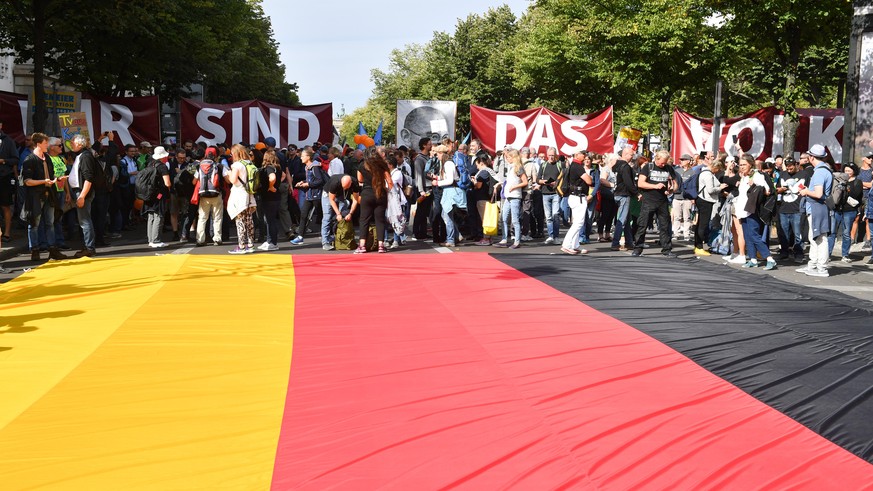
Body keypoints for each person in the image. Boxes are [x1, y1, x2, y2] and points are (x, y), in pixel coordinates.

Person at [20, 132, 67, 261]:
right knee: (34, 223)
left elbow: (50, 177)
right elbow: (27, 181)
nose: (48, 145)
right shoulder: (30, 159)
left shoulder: (47, 158)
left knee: (50, 222)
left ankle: (52, 249)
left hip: (49, 195)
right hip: (35, 196)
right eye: (46, 143)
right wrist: (44, 181)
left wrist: (56, 179)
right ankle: (34, 249)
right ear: (39, 144)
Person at [733, 155, 777, 270]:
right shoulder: (744, 176)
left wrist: (754, 185)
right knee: (747, 236)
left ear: (750, 164)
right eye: (740, 165)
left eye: (744, 165)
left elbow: (767, 191)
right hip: (743, 210)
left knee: (754, 235)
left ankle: (770, 259)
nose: (741, 167)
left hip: (753, 210)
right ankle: (753, 259)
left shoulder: (757, 175)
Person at [796, 144, 833, 277]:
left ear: (811, 157)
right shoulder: (824, 170)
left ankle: (821, 268)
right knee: (815, 237)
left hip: (818, 207)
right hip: (819, 207)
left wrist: (805, 191)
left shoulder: (819, 172)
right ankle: (813, 265)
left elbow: (818, 194)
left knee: (820, 238)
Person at [632, 150, 677, 257]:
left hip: (662, 201)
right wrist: (655, 186)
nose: (663, 165)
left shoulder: (668, 168)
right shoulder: (648, 167)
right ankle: (638, 248)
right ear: (656, 159)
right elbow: (640, 183)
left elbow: (676, 184)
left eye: (665, 163)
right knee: (642, 224)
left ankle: (667, 249)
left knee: (665, 226)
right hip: (649, 200)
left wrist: (670, 190)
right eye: (661, 162)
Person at [355, 148, 393, 254]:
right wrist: (387, 189)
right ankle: (381, 245)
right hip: (380, 193)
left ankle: (362, 245)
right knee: (380, 220)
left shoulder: (362, 165)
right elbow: (390, 182)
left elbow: (360, 180)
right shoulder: (383, 165)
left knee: (364, 220)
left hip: (367, 194)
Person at [68, 134, 100, 257]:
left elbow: (88, 178)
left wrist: (82, 196)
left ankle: (89, 247)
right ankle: (87, 246)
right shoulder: (81, 155)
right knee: (84, 220)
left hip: (82, 192)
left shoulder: (85, 156)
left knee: (85, 220)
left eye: (73, 143)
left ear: (80, 144)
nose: (71, 144)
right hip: (80, 191)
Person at [290, 148, 327, 245]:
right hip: (310, 195)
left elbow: (319, 181)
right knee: (303, 215)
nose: (300, 157)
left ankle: (328, 234)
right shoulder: (308, 167)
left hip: (316, 195)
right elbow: (313, 180)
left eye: (302, 156)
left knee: (323, 216)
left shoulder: (314, 167)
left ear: (308, 157)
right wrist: (304, 182)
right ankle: (300, 236)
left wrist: (308, 184)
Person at [560, 150, 594, 255]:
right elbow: (589, 181)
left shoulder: (573, 165)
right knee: (578, 223)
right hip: (578, 197)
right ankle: (566, 245)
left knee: (577, 223)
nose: (584, 156)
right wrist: (590, 177)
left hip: (575, 196)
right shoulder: (577, 166)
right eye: (583, 154)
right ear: (577, 154)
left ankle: (574, 245)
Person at [226, 144, 258, 254]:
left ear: (235, 153)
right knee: (249, 220)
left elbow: (233, 180)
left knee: (240, 220)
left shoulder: (237, 165)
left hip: (239, 195)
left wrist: (229, 173)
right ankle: (251, 244)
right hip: (250, 194)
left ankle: (241, 246)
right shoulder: (249, 162)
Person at [433, 143, 466, 248]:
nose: (436, 156)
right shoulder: (448, 164)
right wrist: (438, 178)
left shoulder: (448, 164)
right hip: (450, 191)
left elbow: (450, 180)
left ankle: (451, 239)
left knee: (447, 216)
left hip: (451, 191)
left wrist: (438, 182)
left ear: (442, 153)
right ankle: (456, 235)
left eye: (437, 153)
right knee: (446, 215)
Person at [828, 162, 863, 262]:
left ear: (854, 171)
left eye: (849, 171)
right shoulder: (839, 180)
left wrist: (844, 188)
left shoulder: (857, 182)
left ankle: (845, 255)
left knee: (846, 233)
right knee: (832, 233)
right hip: (837, 209)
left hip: (850, 211)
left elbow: (856, 194)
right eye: (846, 170)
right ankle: (828, 254)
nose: (847, 173)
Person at [775, 157, 806, 261]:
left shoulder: (803, 175)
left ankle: (799, 253)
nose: (789, 170)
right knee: (783, 233)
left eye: (791, 168)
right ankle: (784, 252)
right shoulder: (783, 174)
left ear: (796, 165)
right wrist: (780, 189)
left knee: (798, 233)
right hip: (784, 208)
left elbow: (806, 188)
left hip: (797, 209)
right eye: (787, 168)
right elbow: (777, 188)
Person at [322, 173, 360, 250]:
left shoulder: (355, 183)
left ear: (351, 183)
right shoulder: (335, 182)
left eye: (347, 187)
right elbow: (331, 200)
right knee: (327, 216)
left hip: (341, 195)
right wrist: (338, 213)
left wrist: (350, 213)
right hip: (328, 195)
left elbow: (356, 200)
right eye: (344, 187)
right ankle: (325, 242)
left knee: (344, 215)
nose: (345, 189)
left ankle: (340, 238)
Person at [143, 146, 172, 248]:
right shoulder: (162, 167)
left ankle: (151, 240)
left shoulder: (150, 164)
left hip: (148, 194)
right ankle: (156, 240)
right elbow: (167, 183)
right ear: (163, 157)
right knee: (159, 216)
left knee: (151, 216)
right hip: (159, 194)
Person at [694, 159, 725, 256]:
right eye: (718, 169)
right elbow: (710, 190)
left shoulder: (705, 172)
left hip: (703, 199)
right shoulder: (708, 175)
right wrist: (721, 187)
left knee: (700, 224)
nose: (718, 171)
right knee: (703, 224)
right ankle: (699, 246)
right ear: (715, 167)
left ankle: (698, 245)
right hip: (705, 200)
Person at [611, 145, 637, 251]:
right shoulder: (625, 166)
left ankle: (629, 242)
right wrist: (636, 193)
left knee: (626, 219)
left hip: (617, 193)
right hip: (624, 194)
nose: (632, 157)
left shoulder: (616, 165)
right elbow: (628, 183)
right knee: (622, 219)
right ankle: (615, 243)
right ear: (625, 155)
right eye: (631, 155)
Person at [257, 149, 282, 251]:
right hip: (275, 197)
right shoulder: (277, 167)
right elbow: (283, 175)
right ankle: (269, 240)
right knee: (270, 219)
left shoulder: (269, 168)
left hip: (269, 197)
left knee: (270, 220)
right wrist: (276, 186)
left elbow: (272, 178)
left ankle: (273, 242)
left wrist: (271, 186)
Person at [0, 120, 20, 241]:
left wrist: (3, 161)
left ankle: (7, 233)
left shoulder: (8, 141)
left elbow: (15, 160)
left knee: (5, 206)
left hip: (4, 177)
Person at [412, 137, 433, 240]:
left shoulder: (427, 158)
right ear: (424, 145)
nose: (431, 145)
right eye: (429, 144)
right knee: (420, 211)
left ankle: (423, 232)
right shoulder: (419, 159)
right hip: (423, 188)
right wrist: (421, 190)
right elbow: (419, 175)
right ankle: (416, 232)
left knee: (425, 212)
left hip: (429, 187)